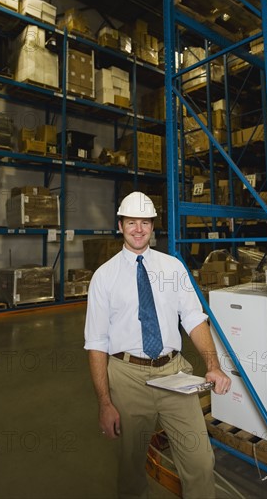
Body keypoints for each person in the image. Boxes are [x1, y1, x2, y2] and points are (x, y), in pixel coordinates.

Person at [84, 191, 231, 499]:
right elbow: (96, 343)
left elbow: (193, 318)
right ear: (121, 225)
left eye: (145, 223)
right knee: (131, 468)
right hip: (126, 377)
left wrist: (213, 366)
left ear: (153, 226)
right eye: (132, 222)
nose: (139, 229)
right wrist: (105, 402)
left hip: (174, 374)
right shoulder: (104, 277)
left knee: (201, 462)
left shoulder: (172, 268)